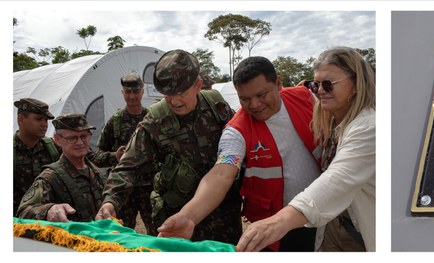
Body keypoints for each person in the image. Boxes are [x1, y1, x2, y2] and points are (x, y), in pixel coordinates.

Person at [158, 56, 322, 251]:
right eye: (244, 99)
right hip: (277, 228)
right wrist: (188, 216)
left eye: (261, 95)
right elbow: (221, 173)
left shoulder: (305, 97)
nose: (254, 105)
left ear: (278, 84)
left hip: (326, 210)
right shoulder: (237, 130)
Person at [95, 49, 242, 244]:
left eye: (181, 93)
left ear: (198, 85)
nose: (174, 101)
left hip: (225, 215)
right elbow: (127, 166)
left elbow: (239, 145)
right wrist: (110, 200)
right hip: (178, 219)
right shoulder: (155, 120)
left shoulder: (217, 105)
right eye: (167, 94)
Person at [238, 46, 375, 252]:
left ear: (356, 84)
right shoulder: (333, 123)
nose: (320, 91)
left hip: (361, 234)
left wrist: (279, 221)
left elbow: (337, 179)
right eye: (315, 84)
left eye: (328, 85)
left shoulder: (369, 128)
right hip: (336, 226)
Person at [96, 72, 155, 235]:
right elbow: (96, 156)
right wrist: (114, 156)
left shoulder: (151, 118)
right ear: (122, 93)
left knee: (156, 232)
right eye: (128, 92)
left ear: (142, 92)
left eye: (136, 92)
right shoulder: (115, 121)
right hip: (123, 190)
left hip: (149, 187)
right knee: (121, 234)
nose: (132, 96)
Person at [17, 114, 105, 222]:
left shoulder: (97, 172)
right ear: (57, 140)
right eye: (72, 138)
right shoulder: (51, 177)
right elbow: (23, 212)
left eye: (84, 136)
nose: (80, 142)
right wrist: (48, 210)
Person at [13, 98, 59, 214]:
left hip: (47, 221)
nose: (44, 125)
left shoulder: (52, 147)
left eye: (46, 120)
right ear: (21, 119)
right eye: (38, 119)